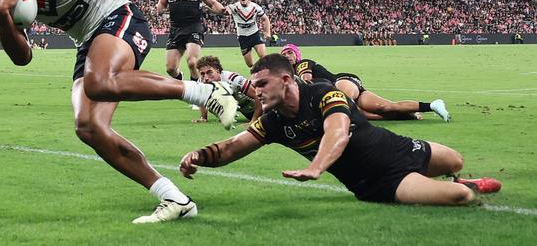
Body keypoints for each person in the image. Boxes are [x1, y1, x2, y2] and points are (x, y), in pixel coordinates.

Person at [0, 0, 239, 224]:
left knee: (98, 82)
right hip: (87, 42)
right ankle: (174, 198)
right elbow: (23, 57)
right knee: (88, 127)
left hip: (117, 16)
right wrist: (2, 17)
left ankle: (207, 91)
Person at [180, 54, 501, 208]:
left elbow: (337, 131)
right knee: (461, 197)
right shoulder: (273, 123)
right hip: (378, 181)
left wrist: (316, 166)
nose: (257, 91)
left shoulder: (322, 92)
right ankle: (457, 187)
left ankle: (457, 177)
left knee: (455, 161)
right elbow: (232, 147)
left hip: (398, 147)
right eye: (256, 85)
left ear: (287, 80)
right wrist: (198, 156)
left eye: (263, 84)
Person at [280, 44, 450, 121]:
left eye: (290, 52)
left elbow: (306, 80)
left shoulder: (302, 64)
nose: (287, 56)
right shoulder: (290, 75)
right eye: (284, 54)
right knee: (384, 108)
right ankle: (431, 106)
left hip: (342, 81)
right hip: (347, 86)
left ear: (297, 55)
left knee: (346, 105)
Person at [156, 0, 226, 84]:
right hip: (175, 29)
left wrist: (222, 9)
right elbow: (161, 4)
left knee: (192, 62)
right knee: (170, 69)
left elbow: (212, 2)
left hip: (194, 27)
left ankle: (195, 88)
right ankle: (180, 78)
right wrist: (158, 9)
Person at [194, 55, 263, 128]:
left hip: (266, 110)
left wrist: (253, 121)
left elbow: (259, 96)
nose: (206, 78)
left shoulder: (233, 79)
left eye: (209, 72)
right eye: (202, 74)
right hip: (248, 113)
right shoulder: (201, 82)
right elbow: (201, 99)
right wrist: (203, 118)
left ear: (217, 70)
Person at [226, 0, 271, 67]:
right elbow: (225, 9)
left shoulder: (255, 7)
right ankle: (256, 69)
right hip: (243, 38)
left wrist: (267, 32)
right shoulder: (234, 7)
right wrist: (223, 11)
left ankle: (265, 73)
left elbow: (265, 18)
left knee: (263, 56)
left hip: (255, 35)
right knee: (249, 64)